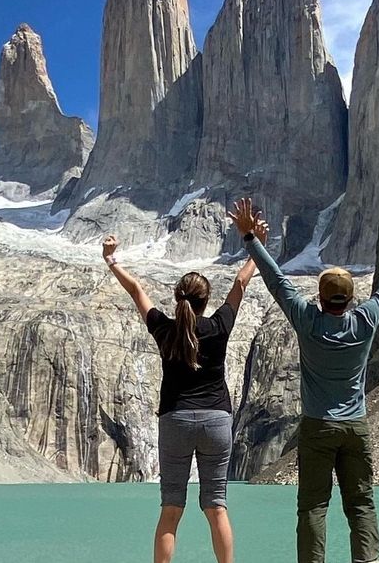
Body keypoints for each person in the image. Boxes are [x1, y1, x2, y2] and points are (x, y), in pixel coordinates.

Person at [228, 199, 379, 563]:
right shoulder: (365, 321)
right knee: (362, 504)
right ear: (351, 298)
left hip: (318, 428)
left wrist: (250, 238)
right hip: (355, 426)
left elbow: (276, 281)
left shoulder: (307, 320)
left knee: (313, 507)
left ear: (320, 297)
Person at [102, 224, 268, 563]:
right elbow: (240, 282)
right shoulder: (219, 326)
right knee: (216, 506)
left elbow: (136, 290)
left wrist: (112, 259)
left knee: (171, 508)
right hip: (217, 421)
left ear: (178, 299)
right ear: (206, 302)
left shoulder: (165, 329)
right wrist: (257, 247)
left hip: (175, 420)